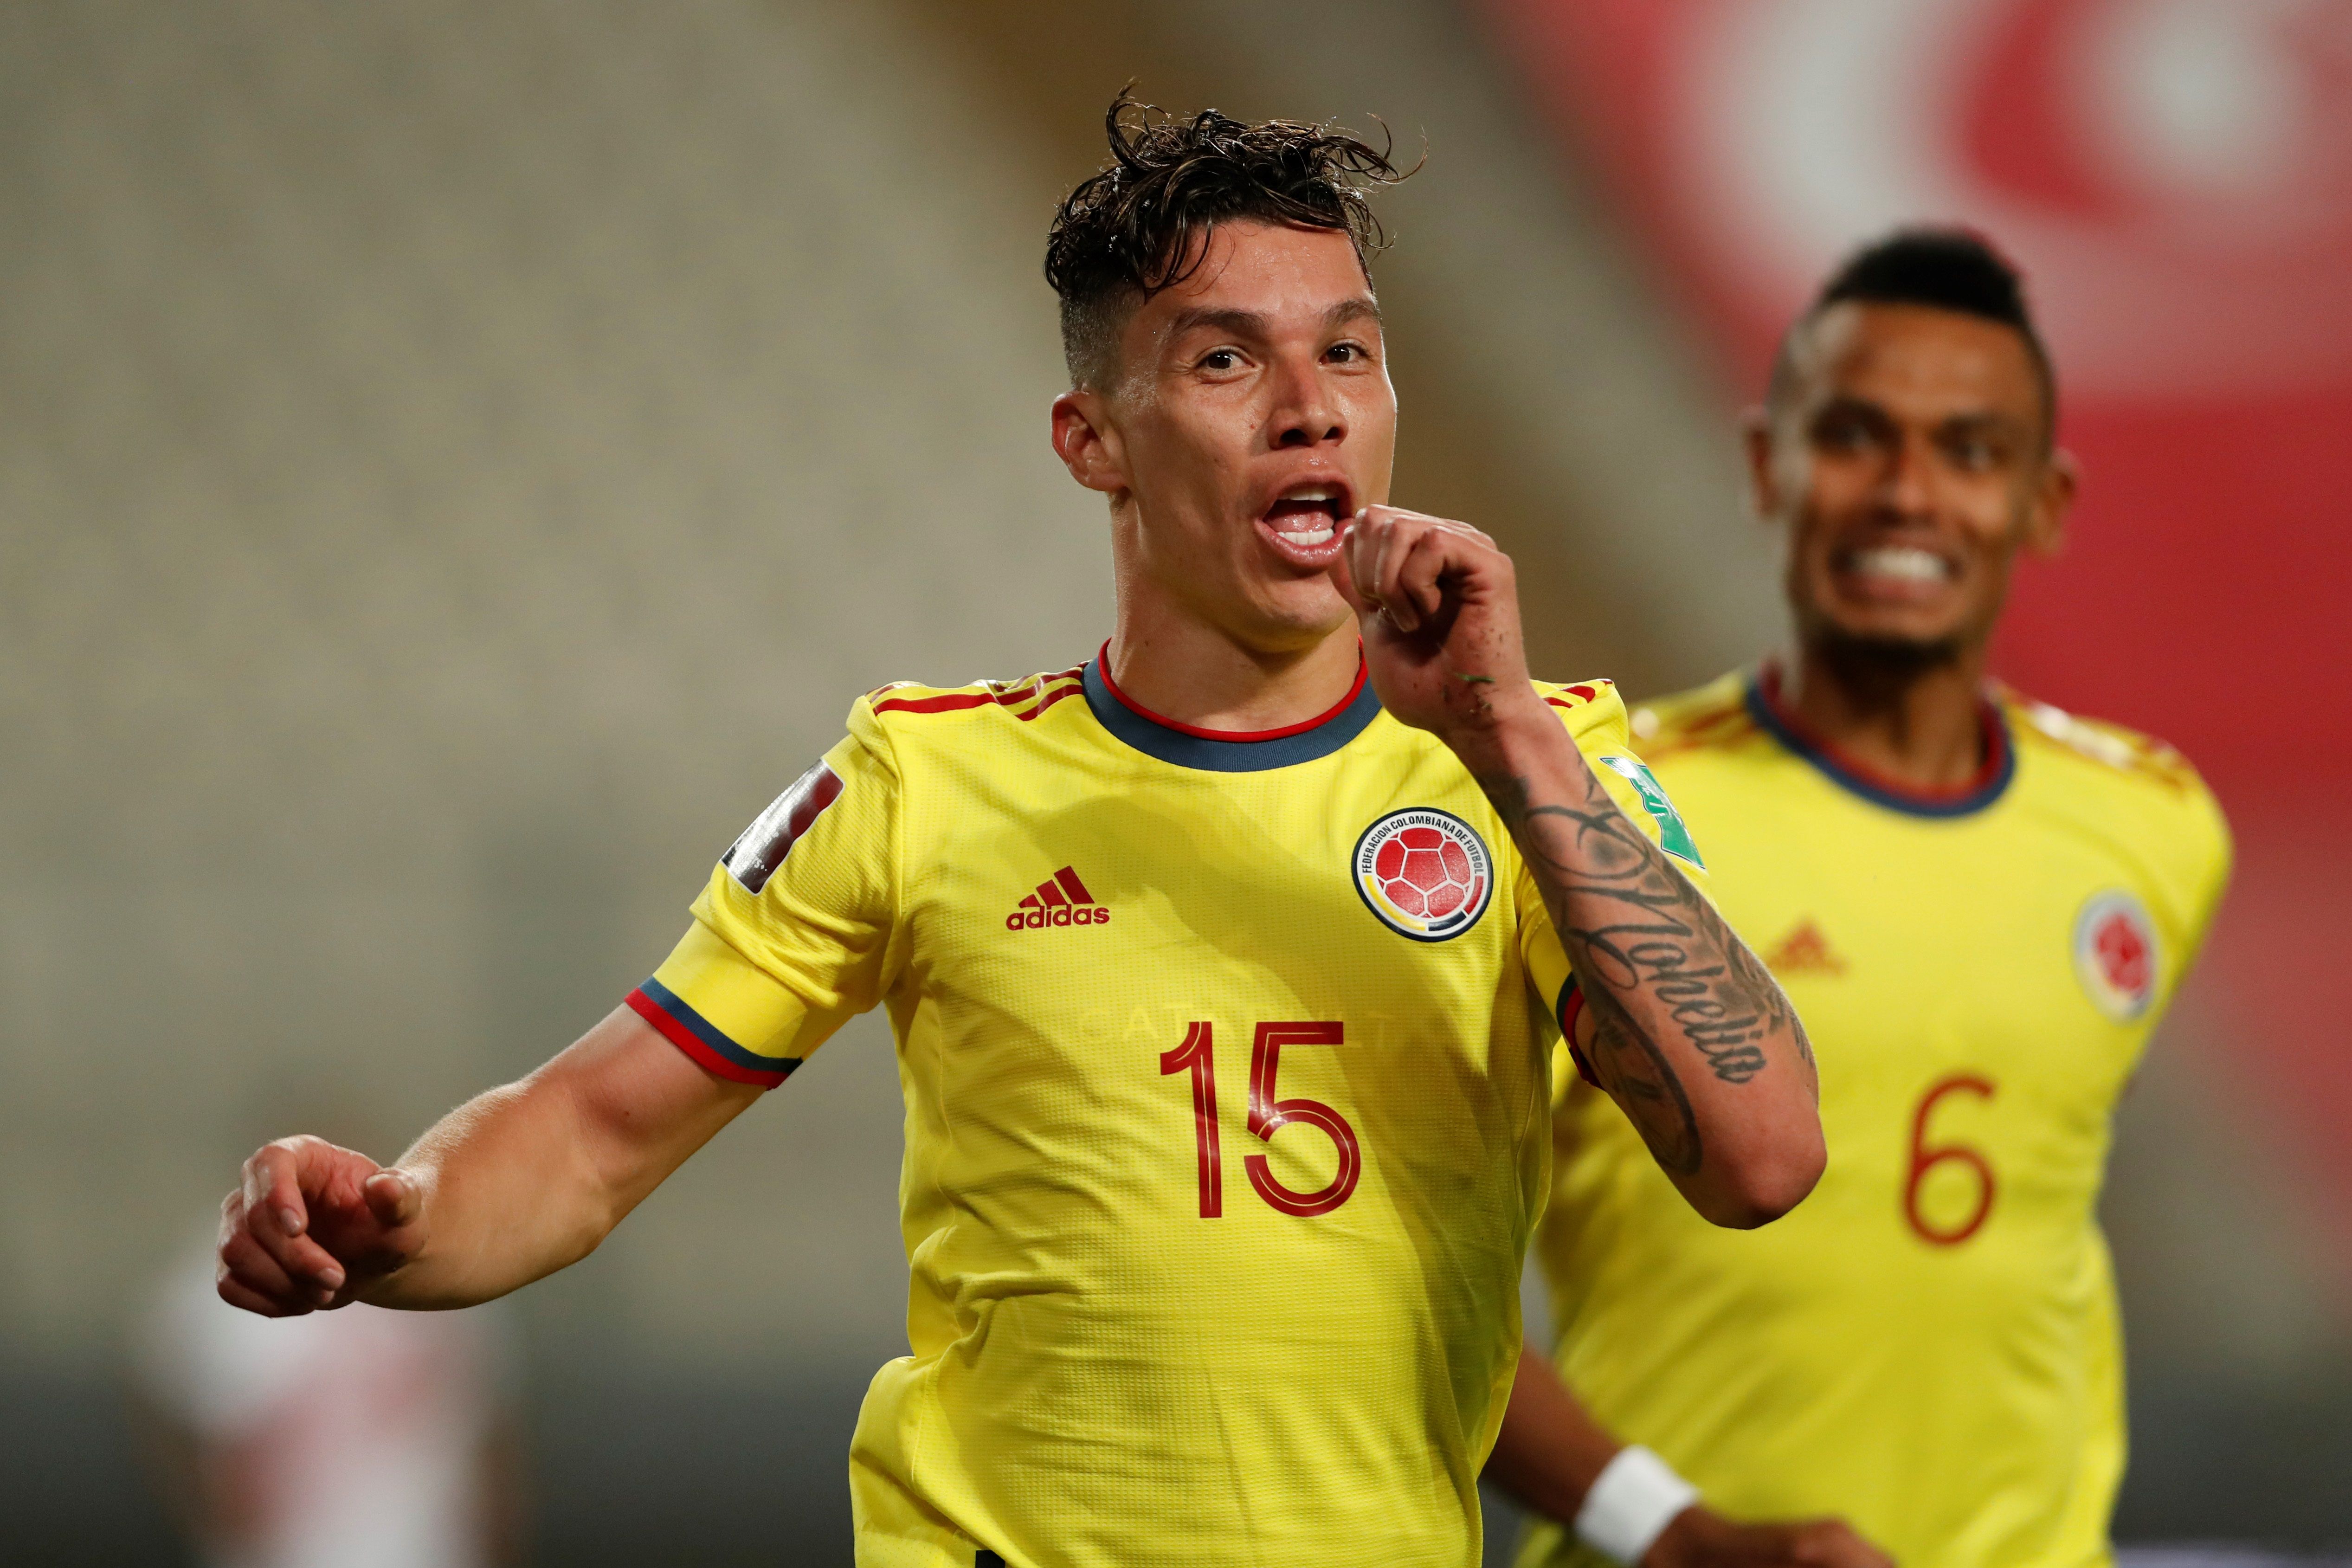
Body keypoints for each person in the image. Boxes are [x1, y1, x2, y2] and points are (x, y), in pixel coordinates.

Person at [213, 99, 1824, 1568]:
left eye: (1346, 353)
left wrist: (1500, 728)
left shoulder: (1535, 768)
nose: (1306, 410)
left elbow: (1759, 1154)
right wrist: (398, 1219)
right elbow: (588, 1132)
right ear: (1091, 441)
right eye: (1221, 361)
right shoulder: (926, 783)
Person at [1486, 230, 2232, 1568]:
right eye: (1852, 437)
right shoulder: (1600, 817)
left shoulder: (2152, 829)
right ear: (1767, 468)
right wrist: (1675, 1535)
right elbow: (1415, 1274)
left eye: (1968, 449)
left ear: (2044, 501)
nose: (1905, 493)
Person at [134, 1232, 522, 1568]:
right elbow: (161, 1394)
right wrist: (214, 1510)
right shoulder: (225, 1259)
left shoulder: (445, 1256)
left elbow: (490, 1424)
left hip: (428, 1551)